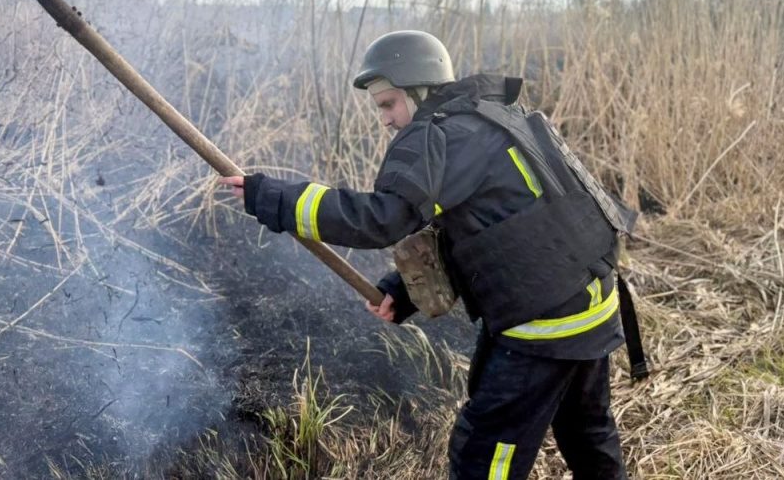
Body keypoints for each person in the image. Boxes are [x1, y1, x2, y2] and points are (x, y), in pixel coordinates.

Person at [222, 30, 642, 480]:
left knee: (485, 454)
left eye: (389, 104)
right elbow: (492, 227)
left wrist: (276, 199)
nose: (385, 119)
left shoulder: (439, 136)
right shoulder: (491, 116)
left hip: (546, 324)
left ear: (420, 91)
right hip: (593, 300)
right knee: (586, 433)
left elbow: (380, 220)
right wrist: (404, 291)